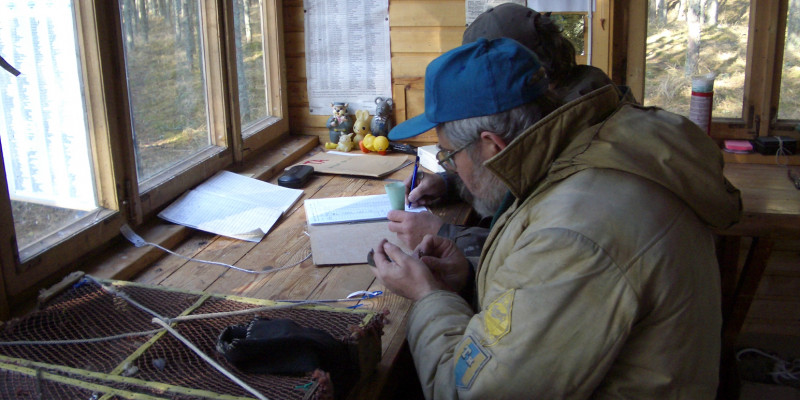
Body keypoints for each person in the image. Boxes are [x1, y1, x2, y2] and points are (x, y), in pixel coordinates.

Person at [371, 37, 741, 398]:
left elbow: (472, 391)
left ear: (492, 146)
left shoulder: (576, 232)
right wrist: (470, 276)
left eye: (450, 156)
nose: (452, 168)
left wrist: (427, 295)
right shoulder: (583, 153)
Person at [387, 3, 634, 257]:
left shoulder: (582, 127)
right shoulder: (577, 99)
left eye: (489, 68)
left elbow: (540, 244)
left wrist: (447, 236)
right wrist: (450, 182)